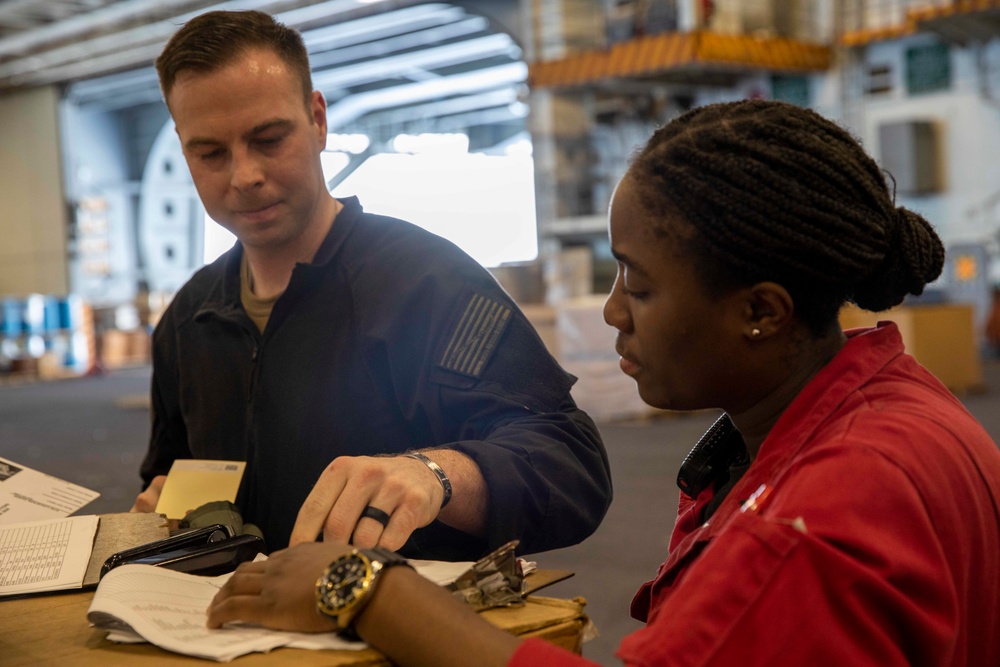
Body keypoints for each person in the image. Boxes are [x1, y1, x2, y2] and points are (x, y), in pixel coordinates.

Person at [206, 100, 1000, 666]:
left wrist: (369, 588)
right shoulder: (910, 411)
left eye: (640, 285)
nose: (613, 310)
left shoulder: (801, 530)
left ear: (762, 310)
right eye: (207, 151)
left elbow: (561, 455)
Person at [129, 9, 612, 560]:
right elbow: (166, 477)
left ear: (317, 120)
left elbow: (570, 466)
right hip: (229, 631)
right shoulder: (188, 319)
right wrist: (158, 516)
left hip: (399, 635)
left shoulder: (430, 284)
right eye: (210, 153)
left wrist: (437, 475)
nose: (244, 176)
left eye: (268, 139)